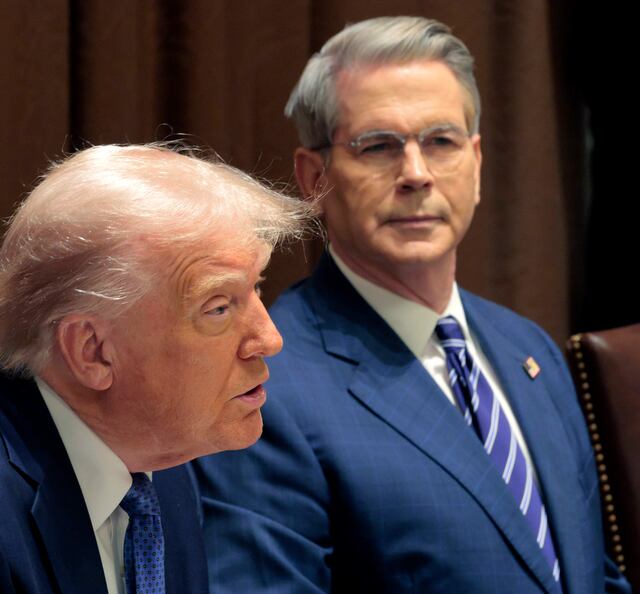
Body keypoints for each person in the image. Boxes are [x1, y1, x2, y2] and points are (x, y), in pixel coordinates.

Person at [192, 16, 632, 594]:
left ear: (476, 163)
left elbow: (596, 576)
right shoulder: (264, 387)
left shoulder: (532, 350)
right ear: (315, 177)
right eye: (378, 147)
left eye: (441, 141)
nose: (417, 174)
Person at [0, 144, 311, 593]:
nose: (269, 339)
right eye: (219, 308)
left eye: (256, 289)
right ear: (92, 352)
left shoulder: (155, 456)